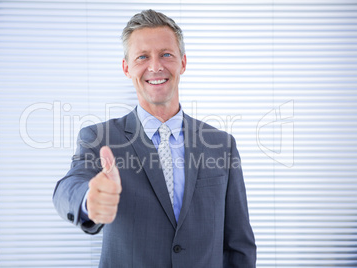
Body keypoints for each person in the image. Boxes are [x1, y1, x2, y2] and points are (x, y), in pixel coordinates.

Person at [53, 9, 256, 267]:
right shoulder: (100, 138)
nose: (156, 66)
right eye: (142, 57)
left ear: (183, 62)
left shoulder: (222, 145)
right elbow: (68, 185)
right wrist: (87, 200)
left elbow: (239, 245)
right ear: (127, 68)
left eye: (166, 54)